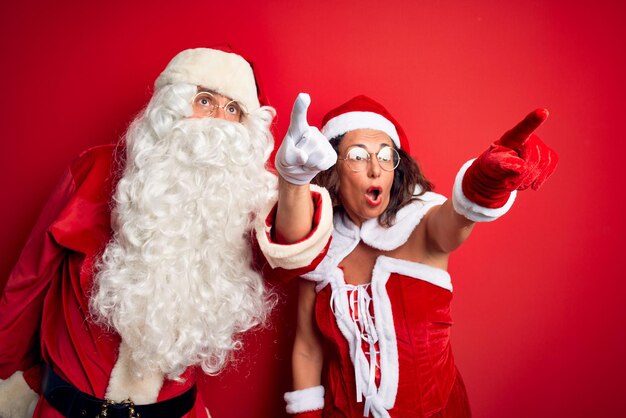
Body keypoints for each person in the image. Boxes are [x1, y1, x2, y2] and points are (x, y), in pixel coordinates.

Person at [0, 47, 287, 418]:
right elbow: (30, 279)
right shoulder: (95, 169)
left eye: (234, 110)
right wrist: (7, 371)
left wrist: (294, 183)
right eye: (205, 101)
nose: (219, 119)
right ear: (171, 107)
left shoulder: (243, 203)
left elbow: (292, 256)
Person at [271, 93, 558, 417]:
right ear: (334, 167)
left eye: (385, 156)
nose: (376, 169)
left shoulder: (421, 224)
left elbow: (455, 221)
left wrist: (485, 183)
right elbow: (308, 350)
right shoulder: (320, 245)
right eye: (357, 156)